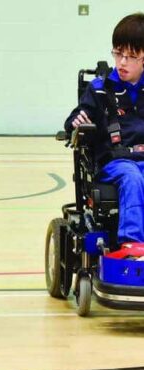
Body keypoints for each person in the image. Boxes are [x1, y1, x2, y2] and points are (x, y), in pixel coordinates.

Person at [65, 12, 144, 243]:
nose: (122, 62)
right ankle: (131, 243)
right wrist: (76, 122)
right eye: (118, 53)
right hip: (115, 163)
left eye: (131, 56)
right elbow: (74, 120)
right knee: (132, 177)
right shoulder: (100, 89)